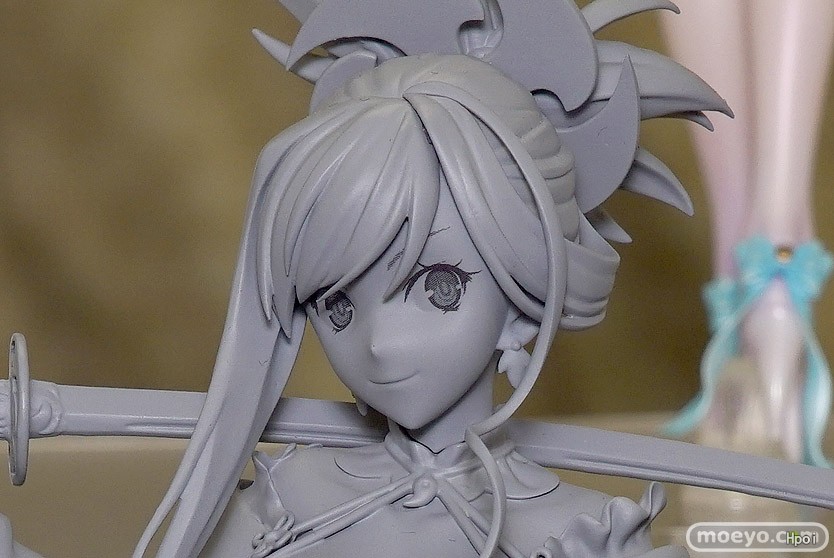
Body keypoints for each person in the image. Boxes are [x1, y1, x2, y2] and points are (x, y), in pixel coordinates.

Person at [135, 1, 730, 556]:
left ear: (523, 309)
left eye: (439, 288)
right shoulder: (279, 504)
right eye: (336, 305)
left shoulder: (584, 534)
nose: (378, 342)